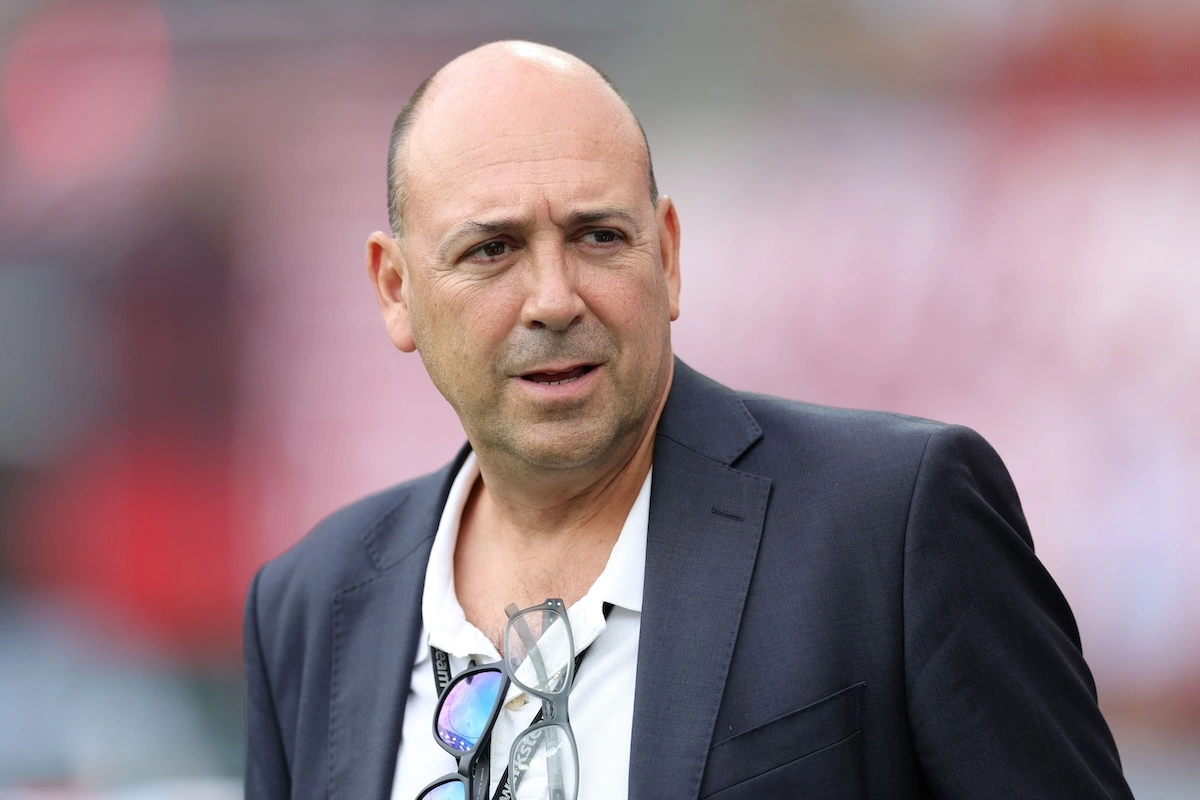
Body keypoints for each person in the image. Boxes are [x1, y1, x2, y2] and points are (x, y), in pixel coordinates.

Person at [243, 41, 1133, 800]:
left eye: (598, 236)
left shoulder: (892, 524)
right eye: (493, 249)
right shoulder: (310, 606)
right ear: (395, 290)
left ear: (667, 255)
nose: (554, 299)